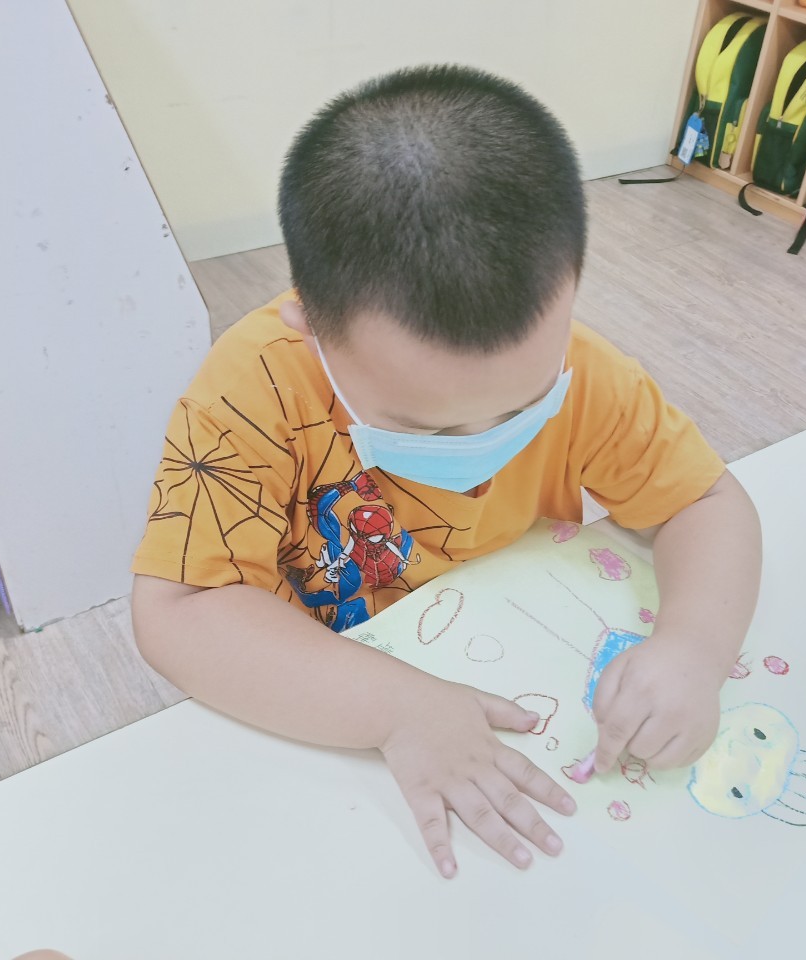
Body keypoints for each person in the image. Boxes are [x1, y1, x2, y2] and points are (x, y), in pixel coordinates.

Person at [131, 64, 762, 878]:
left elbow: (705, 501)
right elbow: (178, 614)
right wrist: (396, 709)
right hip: (319, 707)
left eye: (525, 405)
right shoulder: (253, 389)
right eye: (421, 426)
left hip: (508, 666)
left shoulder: (585, 371)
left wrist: (696, 648)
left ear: (570, 291)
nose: (480, 441)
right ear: (309, 324)